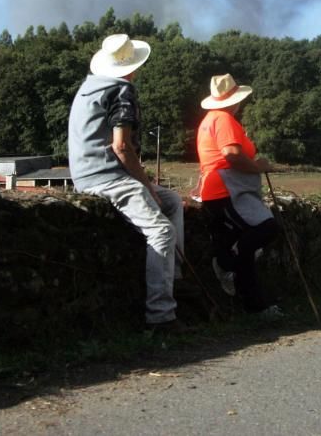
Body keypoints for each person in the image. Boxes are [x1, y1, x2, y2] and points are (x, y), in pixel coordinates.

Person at [68, 34, 186, 331]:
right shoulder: (123, 90)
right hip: (106, 175)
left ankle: (173, 275)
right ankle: (161, 315)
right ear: (132, 66)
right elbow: (122, 147)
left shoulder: (88, 87)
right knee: (161, 231)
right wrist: (146, 185)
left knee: (171, 200)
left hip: (84, 173)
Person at [196, 74, 283, 319]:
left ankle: (255, 305)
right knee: (267, 228)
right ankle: (226, 261)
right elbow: (232, 154)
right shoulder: (223, 119)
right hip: (228, 190)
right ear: (235, 100)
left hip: (220, 190)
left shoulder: (210, 119)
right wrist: (259, 167)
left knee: (247, 245)